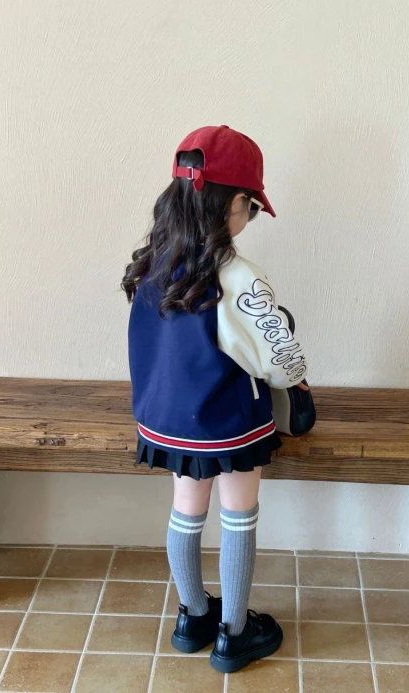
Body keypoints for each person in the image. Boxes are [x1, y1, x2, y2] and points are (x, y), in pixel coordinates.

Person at [122, 125, 308, 673]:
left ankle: (192, 617)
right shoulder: (238, 276)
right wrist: (298, 376)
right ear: (234, 203)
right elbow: (279, 357)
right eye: (251, 206)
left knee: (185, 512)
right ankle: (233, 633)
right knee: (239, 515)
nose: (250, 216)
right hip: (228, 420)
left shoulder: (151, 263)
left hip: (166, 419)